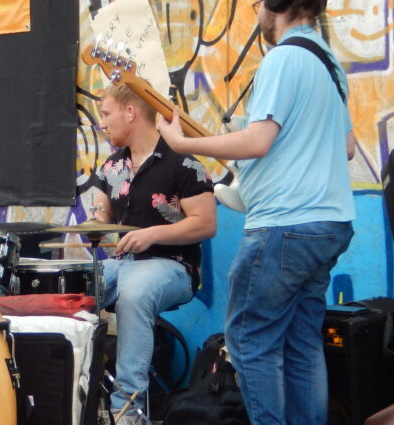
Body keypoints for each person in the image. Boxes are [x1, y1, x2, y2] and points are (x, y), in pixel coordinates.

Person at [157, 0, 355, 423]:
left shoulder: (283, 58)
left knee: (248, 343)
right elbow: (348, 147)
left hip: (283, 226)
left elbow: (258, 142)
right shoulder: (330, 65)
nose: (256, 10)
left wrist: (184, 145)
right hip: (329, 224)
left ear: (276, 5)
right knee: (301, 345)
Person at [93, 84, 216, 424]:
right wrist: (96, 223)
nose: (101, 123)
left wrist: (152, 235)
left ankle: (127, 410)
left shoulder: (183, 163)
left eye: (106, 113)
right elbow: (100, 214)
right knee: (72, 289)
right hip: (122, 265)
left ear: (129, 113)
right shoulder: (111, 167)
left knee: (136, 294)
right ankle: (77, 393)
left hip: (173, 268)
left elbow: (206, 224)